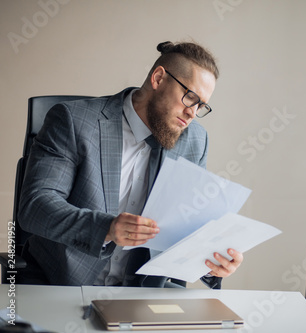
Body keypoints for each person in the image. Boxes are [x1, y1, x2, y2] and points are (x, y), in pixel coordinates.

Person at [17, 40, 243, 288]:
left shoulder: (194, 140)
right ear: (158, 79)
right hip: (61, 283)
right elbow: (36, 207)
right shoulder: (74, 121)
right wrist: (107, 228)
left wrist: (213, 264)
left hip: (142, 293)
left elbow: (189, 229)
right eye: (190, 97)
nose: (192, 113)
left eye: (201, 105)